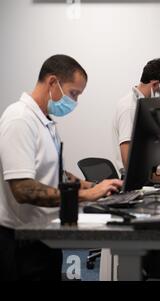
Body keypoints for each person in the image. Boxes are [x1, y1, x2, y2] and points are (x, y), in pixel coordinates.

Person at [0, 55, 123, 280]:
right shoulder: (19, 119)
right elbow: (23, 189)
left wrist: (91, 184)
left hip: (45, 236)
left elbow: (53, 171)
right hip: (22, 244)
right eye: (73, 93)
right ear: (52, 81)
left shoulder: (44, 122)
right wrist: (87, 194)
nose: (74, 101)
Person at [113, 58, 160, 170]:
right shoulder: (130, 108)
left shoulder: (146, 105)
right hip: (136, 181)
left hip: (149, 176)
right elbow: (129, 162)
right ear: (155, 85)